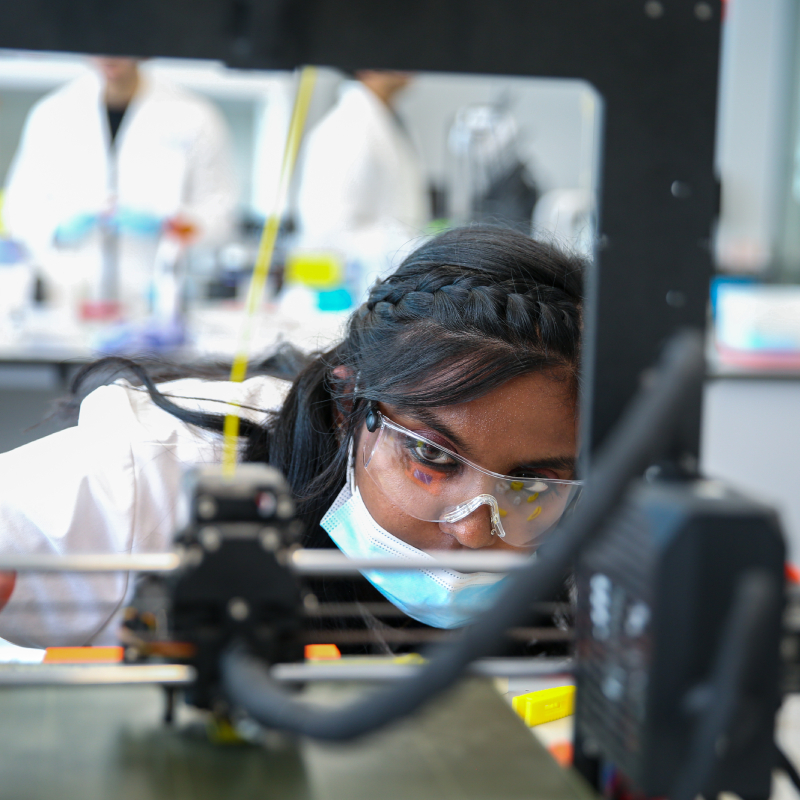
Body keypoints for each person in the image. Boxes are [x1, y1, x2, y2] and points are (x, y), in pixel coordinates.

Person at [0, 226, 583, 649]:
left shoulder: (601, 551)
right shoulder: (161, 476)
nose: (473, 530)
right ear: (347, 408)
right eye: (431, 457)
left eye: (531, 485)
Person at [2, 57, 237, 320]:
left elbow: (221, 219)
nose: (108, 55)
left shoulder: (192, 115)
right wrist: (59, 226)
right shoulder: (51, 113)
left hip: (155, 305)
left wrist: (169, 224)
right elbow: (19, 213)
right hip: (66, 306)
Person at [295, 70, 429, 302]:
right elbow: (329, 232)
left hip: (386, 291)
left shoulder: (388, 122)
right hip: (346, 297)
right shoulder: (344, 128)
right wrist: (411, 250)